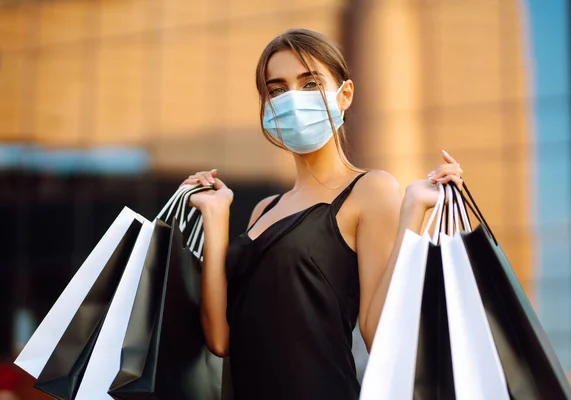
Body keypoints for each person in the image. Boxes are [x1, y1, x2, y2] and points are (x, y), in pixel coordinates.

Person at [180, 28, 463, 399]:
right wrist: (216, 218)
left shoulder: (371, 190)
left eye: (310, 83)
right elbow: (221, 340)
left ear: (344, 95)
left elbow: (380, 337)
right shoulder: (264, 210)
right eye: (277, 89)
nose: (292, 99)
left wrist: (412, 211)